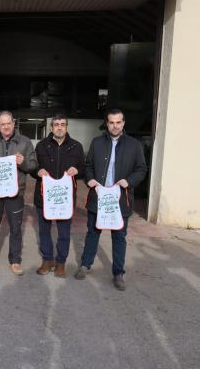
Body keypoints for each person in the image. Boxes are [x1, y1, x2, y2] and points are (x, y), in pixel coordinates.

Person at [74, 108, 147, 291]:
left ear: (123, 123)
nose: (115, 126)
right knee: (92, 233)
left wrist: (128, 181)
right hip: (98, 196)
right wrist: (90, 179)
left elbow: (141, 169)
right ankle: (85, 265)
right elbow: (88, 165)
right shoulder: (97, 142)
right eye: (111, 122)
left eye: (118, 122)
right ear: (107, 124)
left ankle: (118, 273)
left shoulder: (134, 145)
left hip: (121, 199)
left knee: (119, 236)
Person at [0, 111, 37, 275]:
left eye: (8, 123)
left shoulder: (25, 142)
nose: (6, 126)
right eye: (2, 124)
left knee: (16, 228)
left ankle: (15, 260)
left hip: (15, 193)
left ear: (14, 123)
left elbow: (33, 165)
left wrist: (23, 162)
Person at [32, 114, 85, 277]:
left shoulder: (76, 146)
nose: (59, 127)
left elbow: (84, 169)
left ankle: (61, 262)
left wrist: (78, 171)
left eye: (62, 124)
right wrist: (37, 171)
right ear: (51, 127)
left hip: (64, 199)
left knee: (63, 233)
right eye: (56, 124)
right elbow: (33, 166)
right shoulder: (41, 145)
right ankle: (47, 260)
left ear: (66, 127)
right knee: (44, 231)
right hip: (44, 197)